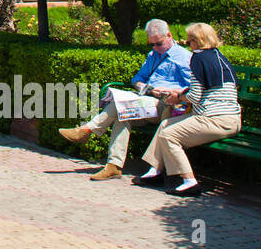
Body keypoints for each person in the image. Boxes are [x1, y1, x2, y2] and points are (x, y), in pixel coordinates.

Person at [59, 19, 193, 180]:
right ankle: (113, 166)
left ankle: (87, 130)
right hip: (146, 100)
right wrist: (144, 87)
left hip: (165, 105)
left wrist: (169, 91)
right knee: (123, 116)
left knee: (122, 106)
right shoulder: (153, 55)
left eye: (158, 44)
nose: (155, 48)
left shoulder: (184, 57)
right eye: (151, 44)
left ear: (169, 36)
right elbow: (137, 79)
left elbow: (192, 88)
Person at [137, 22, 242, 195]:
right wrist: (182, 94)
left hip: (214, 119)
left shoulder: (198, 58)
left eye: (189, 40)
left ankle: (188, 180)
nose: (187, 43)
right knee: (165, 125)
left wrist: (177, 97)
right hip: (231, 118)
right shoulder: (219, 56)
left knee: (169, 135)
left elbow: (194, 97)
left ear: (197, 40)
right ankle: (155, 170)